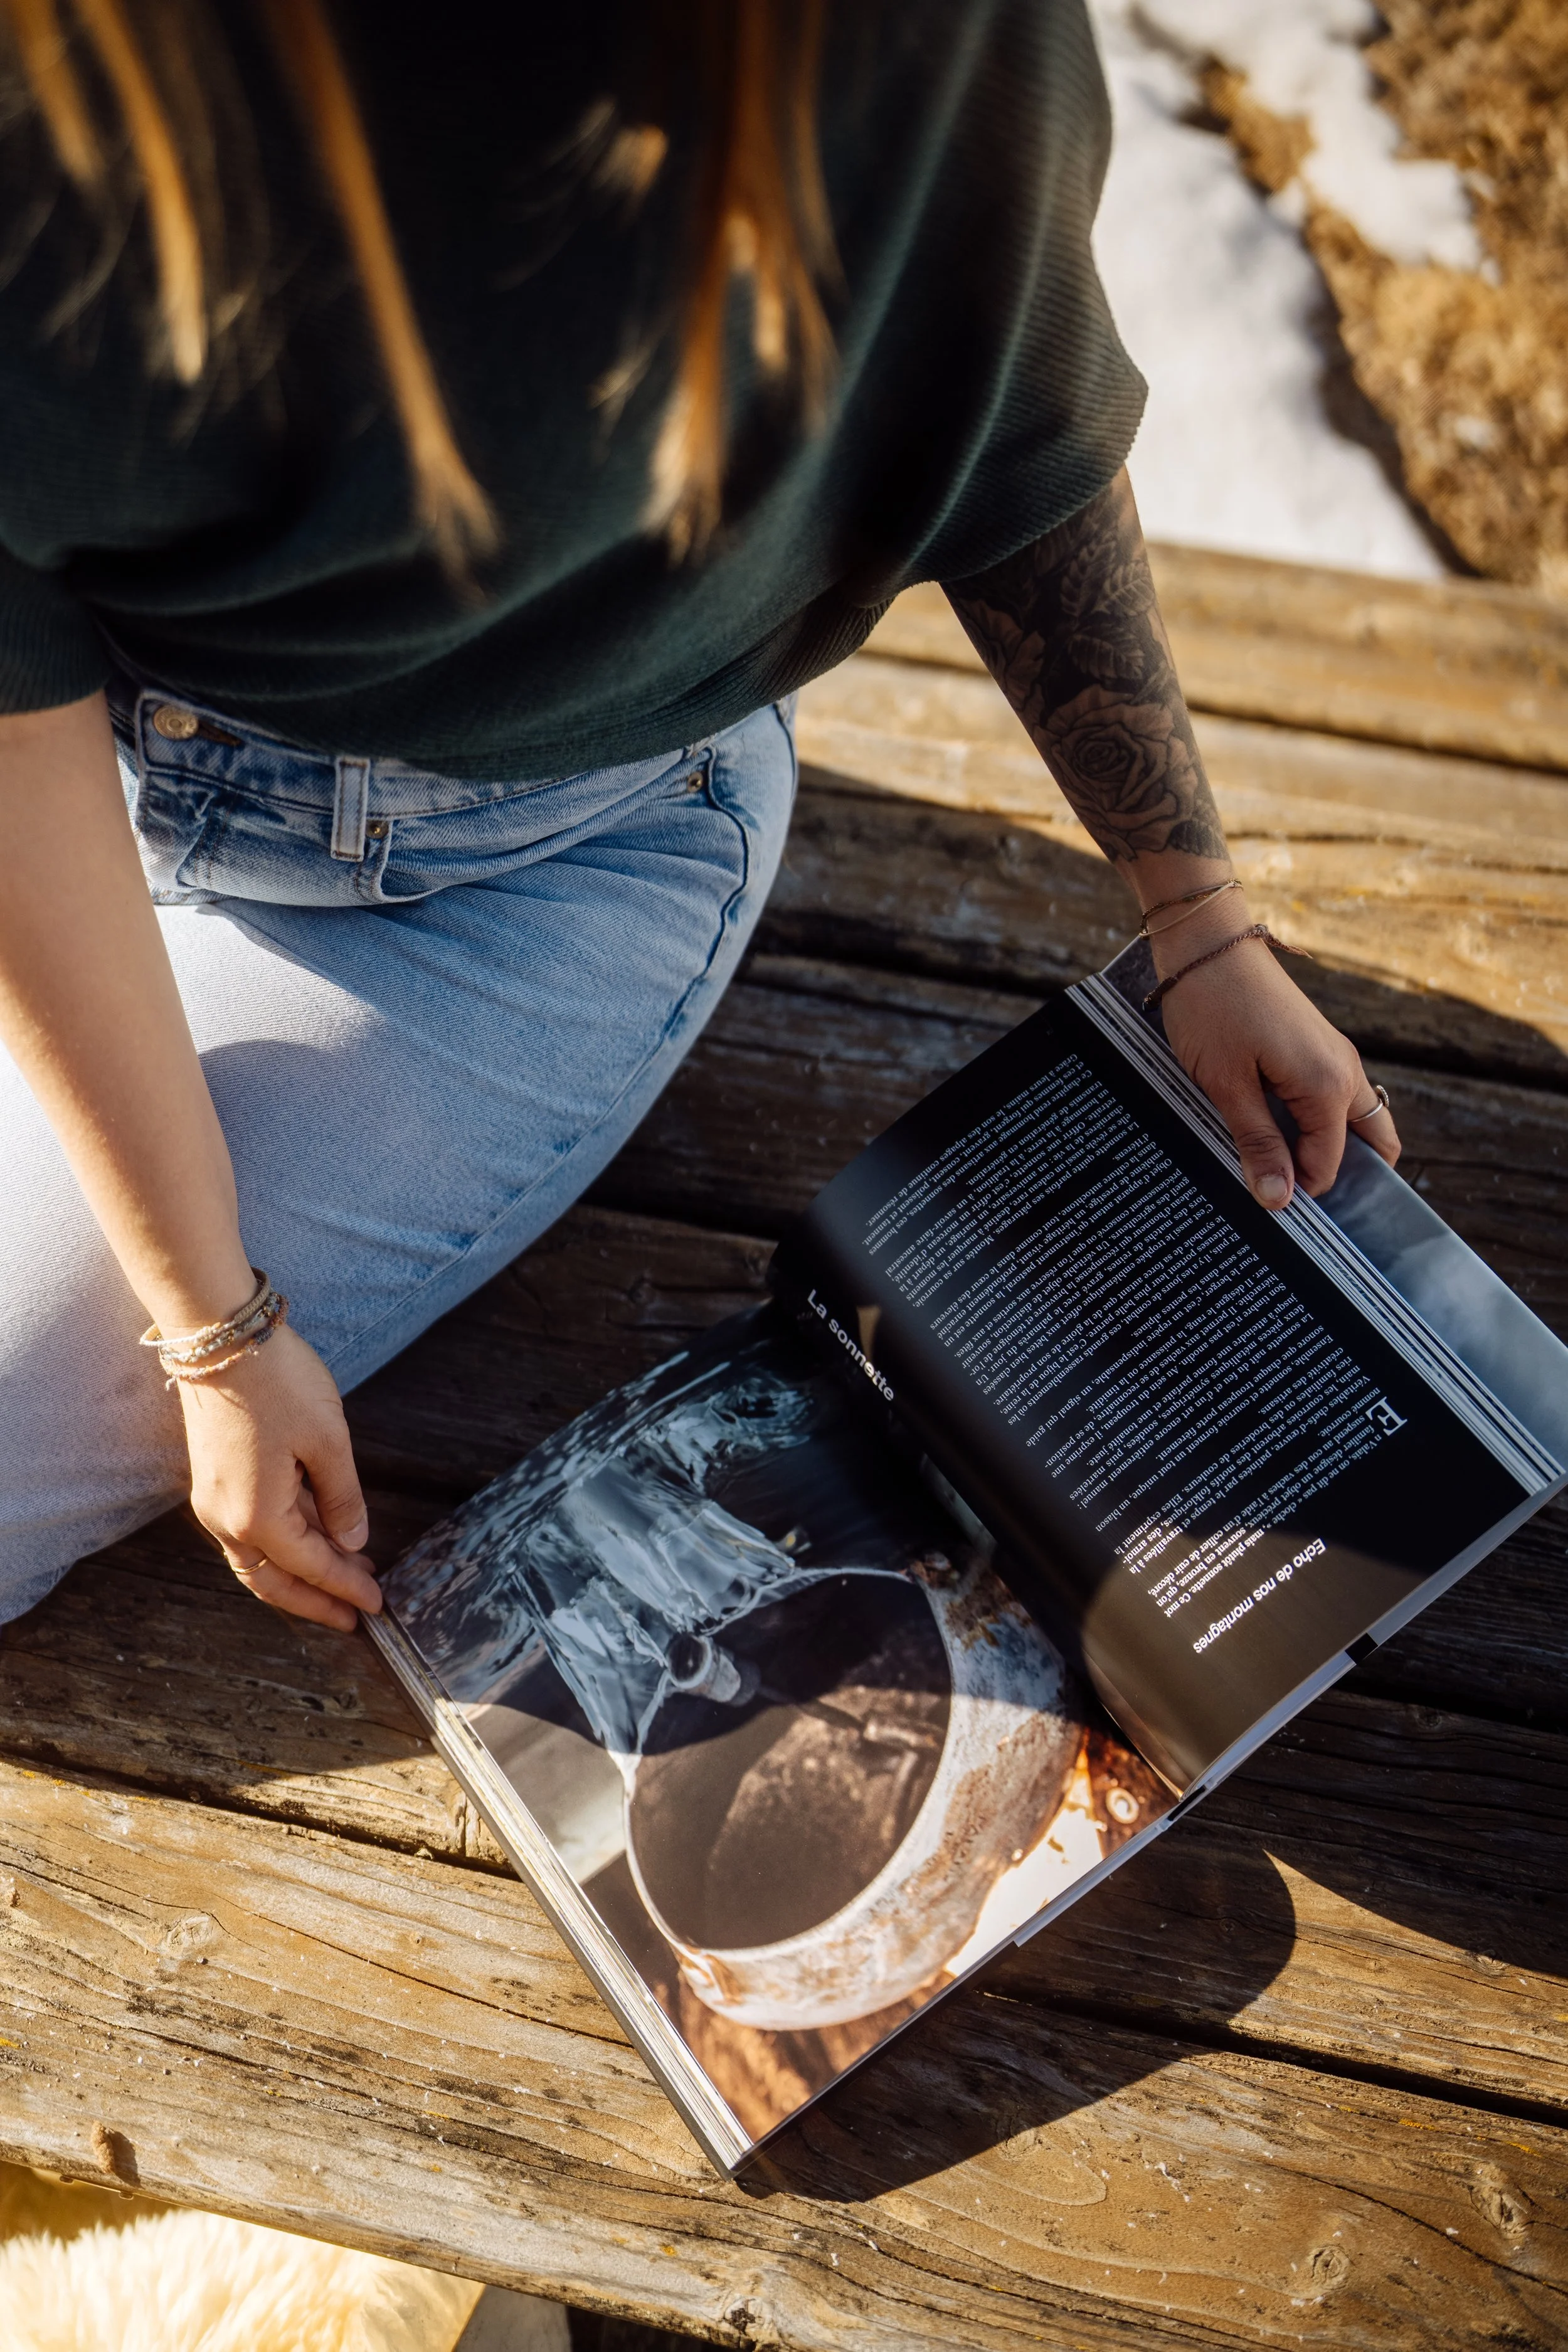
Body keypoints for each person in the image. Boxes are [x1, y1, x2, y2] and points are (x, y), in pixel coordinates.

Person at [0, 0, 1400, 1636]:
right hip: (75, 784)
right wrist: (211, 1322)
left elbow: (1008, 395)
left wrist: (1195, 912)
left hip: (512, 860)